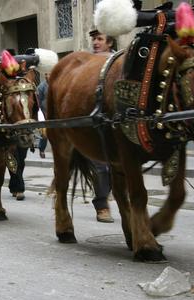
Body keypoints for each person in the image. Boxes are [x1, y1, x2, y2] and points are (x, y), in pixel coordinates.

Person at [89, 29, 116, 223]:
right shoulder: (88, 63)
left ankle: (110, 193)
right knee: (101, 167)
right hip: (93, 123)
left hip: (116, 121)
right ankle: (102, 205)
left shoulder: (118, 61)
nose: (95, 42)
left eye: (100, 39)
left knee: (118, 166)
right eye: (94, 39)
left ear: (110, 42)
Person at [36, 73, 49, 158]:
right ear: (45, 76)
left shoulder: (55, 83)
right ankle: (41, 150)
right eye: (48, 75)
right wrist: (40, 113)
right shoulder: (42, 86)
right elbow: (38, 101)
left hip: (54, 113)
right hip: (44, 113)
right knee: (44, 133)